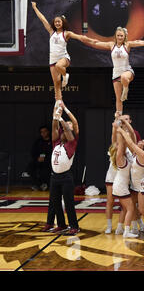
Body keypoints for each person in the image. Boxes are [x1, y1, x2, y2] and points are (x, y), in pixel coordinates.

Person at [79, 28, 144, 118]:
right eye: (118, 35)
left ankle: (126, 88)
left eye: (121, 36)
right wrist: (84, 39)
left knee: (124, 77)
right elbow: (95, 43)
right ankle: (118, 116)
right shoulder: (111, 45)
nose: (120, 37)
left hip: (127, 71)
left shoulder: (127, 45)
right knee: (118, 98)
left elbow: (142, 43)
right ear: (115, 36)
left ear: (124, 36)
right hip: (116, 74)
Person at [31, 2, 85, 106]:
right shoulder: (51, 32)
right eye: (55, 22)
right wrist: (34, 7)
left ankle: (65, 75)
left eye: (59, 22)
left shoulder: (66, 33)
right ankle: (59, 103)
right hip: (52, 60)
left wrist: (86, 39)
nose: (57, 23)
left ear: (63, 22)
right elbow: (43, 19)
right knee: (56, 84)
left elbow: (79, 37)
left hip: (64, 58)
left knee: (59, 65)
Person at [45, 101, 80, 236]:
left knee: (69, 203)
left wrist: (61, 116)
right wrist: (55, 116)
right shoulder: (56, 142)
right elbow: (54, 127)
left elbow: (67, 128)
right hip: (55, 176)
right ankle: (61, 224)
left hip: (66, 177)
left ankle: (74, 226)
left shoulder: (72, 142)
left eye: (68, 128)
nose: (66, 129)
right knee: (55, 202)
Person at [115, 119, 144, 238]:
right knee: (132, 208)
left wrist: (121, 130)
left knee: (142, 208)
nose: (140, 141)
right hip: (134, 185)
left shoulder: (142, 155)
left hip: (141, 185)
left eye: (142, 141)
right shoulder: (135, 153)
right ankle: (137, 227)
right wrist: (124, 122)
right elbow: (132, 134)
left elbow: (131, 143)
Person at [104, 113, 141, 235]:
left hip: (124, 180)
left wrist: (123, 124)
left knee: (128, 206)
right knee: (114, 202)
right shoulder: (118, 148)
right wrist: (117, 123)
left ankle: (124, 227)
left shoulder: (129, 150)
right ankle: (112, 227)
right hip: (115, 178)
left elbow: (133, 140)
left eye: (127, 120)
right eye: (123, 119)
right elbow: (115, 135)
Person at [28, 125, 52, 191]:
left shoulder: (52, 141)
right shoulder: (38, 141)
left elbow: (53, 152)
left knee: (45, 169)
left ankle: (45, 184)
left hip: (48, 160)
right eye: (42, 132)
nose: (43, 133)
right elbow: (33, 152)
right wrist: (37, 158)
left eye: (45, 131)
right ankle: (39, 184)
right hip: (38, 160)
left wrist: (46, 158)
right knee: (30, 166)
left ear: (48, 132)